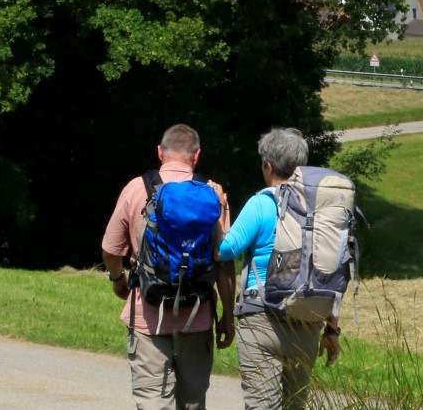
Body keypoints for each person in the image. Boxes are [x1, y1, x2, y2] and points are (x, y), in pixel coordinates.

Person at [101, 124, 237, 410]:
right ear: (197, 156)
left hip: (147, 314)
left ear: (160, 152)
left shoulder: (137, 188)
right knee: (192, 401)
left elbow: (110, 249)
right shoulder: (213, 194)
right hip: (197, 315)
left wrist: (117, 279)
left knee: (153, 403)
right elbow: (224, 263)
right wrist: (226, 315)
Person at [217, 128, 340, 410]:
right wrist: (332, 330)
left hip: (262, 319)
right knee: (295, 405)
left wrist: (221, 213)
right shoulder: (321, 208)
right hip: (307, 320)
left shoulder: (261, 203)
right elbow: (333, 270)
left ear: (268, 166)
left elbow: (225, 250)